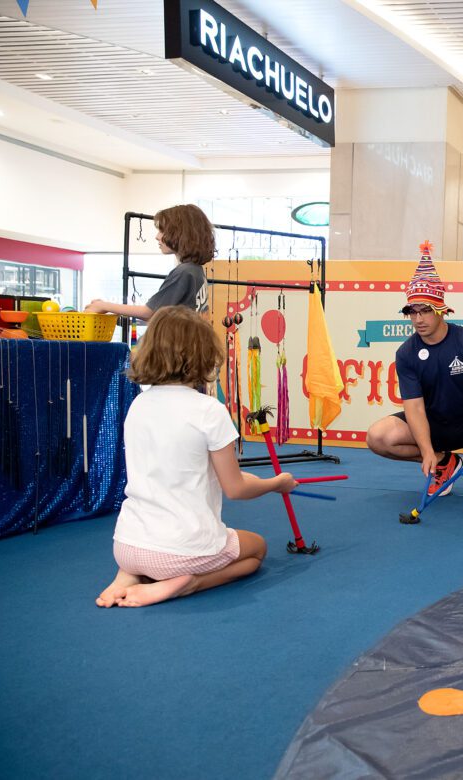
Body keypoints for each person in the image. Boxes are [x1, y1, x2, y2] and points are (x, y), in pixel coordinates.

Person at [95, 306, 296, 608]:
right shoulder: (209, 410)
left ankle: (128, 575)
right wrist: (277, 484)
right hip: (180, 551)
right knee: (257, 550)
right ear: (203, 355)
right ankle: (188, 584)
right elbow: (235, 488)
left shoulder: (139, 404)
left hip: (126, 545)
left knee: (151, 550)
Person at [366, 243, 463, 516]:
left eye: (425, 310)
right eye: (412, 312)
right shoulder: (406, 353)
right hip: (434, 424)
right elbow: (414, 408)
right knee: (377, 436)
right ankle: (444, 462)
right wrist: (427, 451)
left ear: (440, 309)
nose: (418, 319)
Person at [85, 204, 213, 320]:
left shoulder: (184, 272)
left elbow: (149, 312)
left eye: (162, 231)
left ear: (180, 234)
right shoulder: (196, 271)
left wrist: (103, 305)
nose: (157, 236)